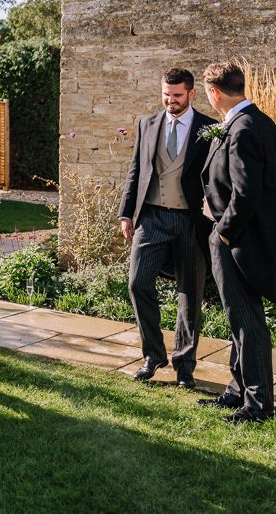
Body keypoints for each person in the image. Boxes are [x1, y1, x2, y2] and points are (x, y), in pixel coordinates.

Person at [117, 67, 217, 388]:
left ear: (191, 94)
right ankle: (153, 354)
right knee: (137, 282)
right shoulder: (147, 125)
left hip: (191, 221)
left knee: (190, 293)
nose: (170, 101)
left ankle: (185, 364)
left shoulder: (210, 129)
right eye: (166, 94)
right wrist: (126, 213)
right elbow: (136, 171)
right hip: (152, 217)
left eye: (177, 95)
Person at [199, 62, 276, 423]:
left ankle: (258, 404)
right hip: (240, 236)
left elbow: (246, 193)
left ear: (213, 92)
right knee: (240, 319)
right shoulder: (258, 121)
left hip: (237, 240)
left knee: (247, 320)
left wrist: (224, 231)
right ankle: (238, 391)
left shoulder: (243, 128)